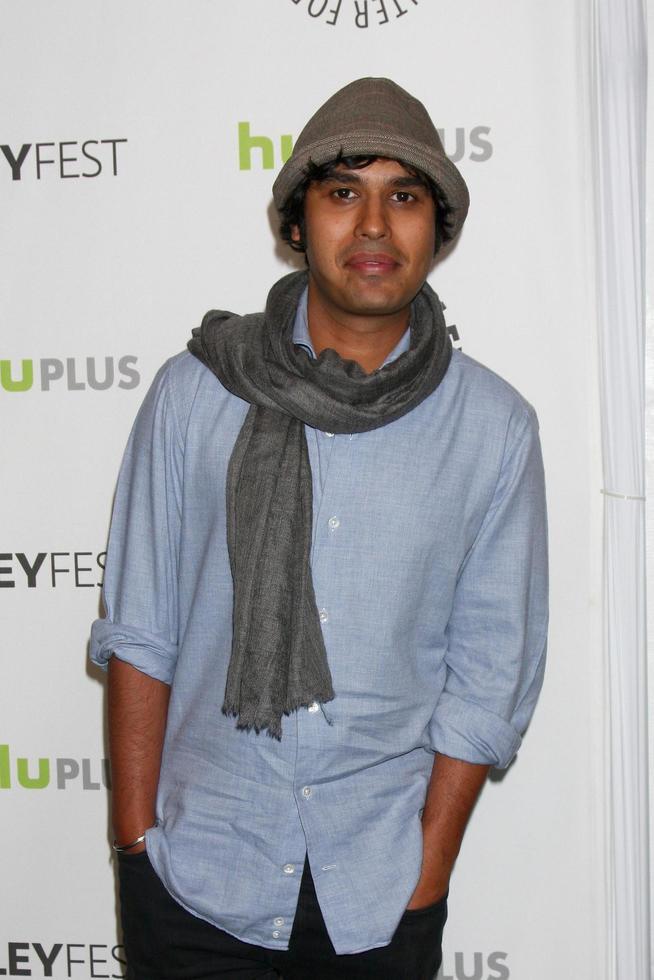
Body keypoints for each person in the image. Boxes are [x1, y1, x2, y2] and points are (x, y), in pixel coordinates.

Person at [91, 77, 548, 980]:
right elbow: (141, 632)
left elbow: (491, 673)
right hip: (196, 881)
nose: (373, 226)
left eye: (403, 197)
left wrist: (428, 871)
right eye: (344, 193)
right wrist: (136, 847)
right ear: (297, 223)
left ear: (437, 229)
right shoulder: (196, 396)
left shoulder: (494, 429)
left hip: (376, 898)